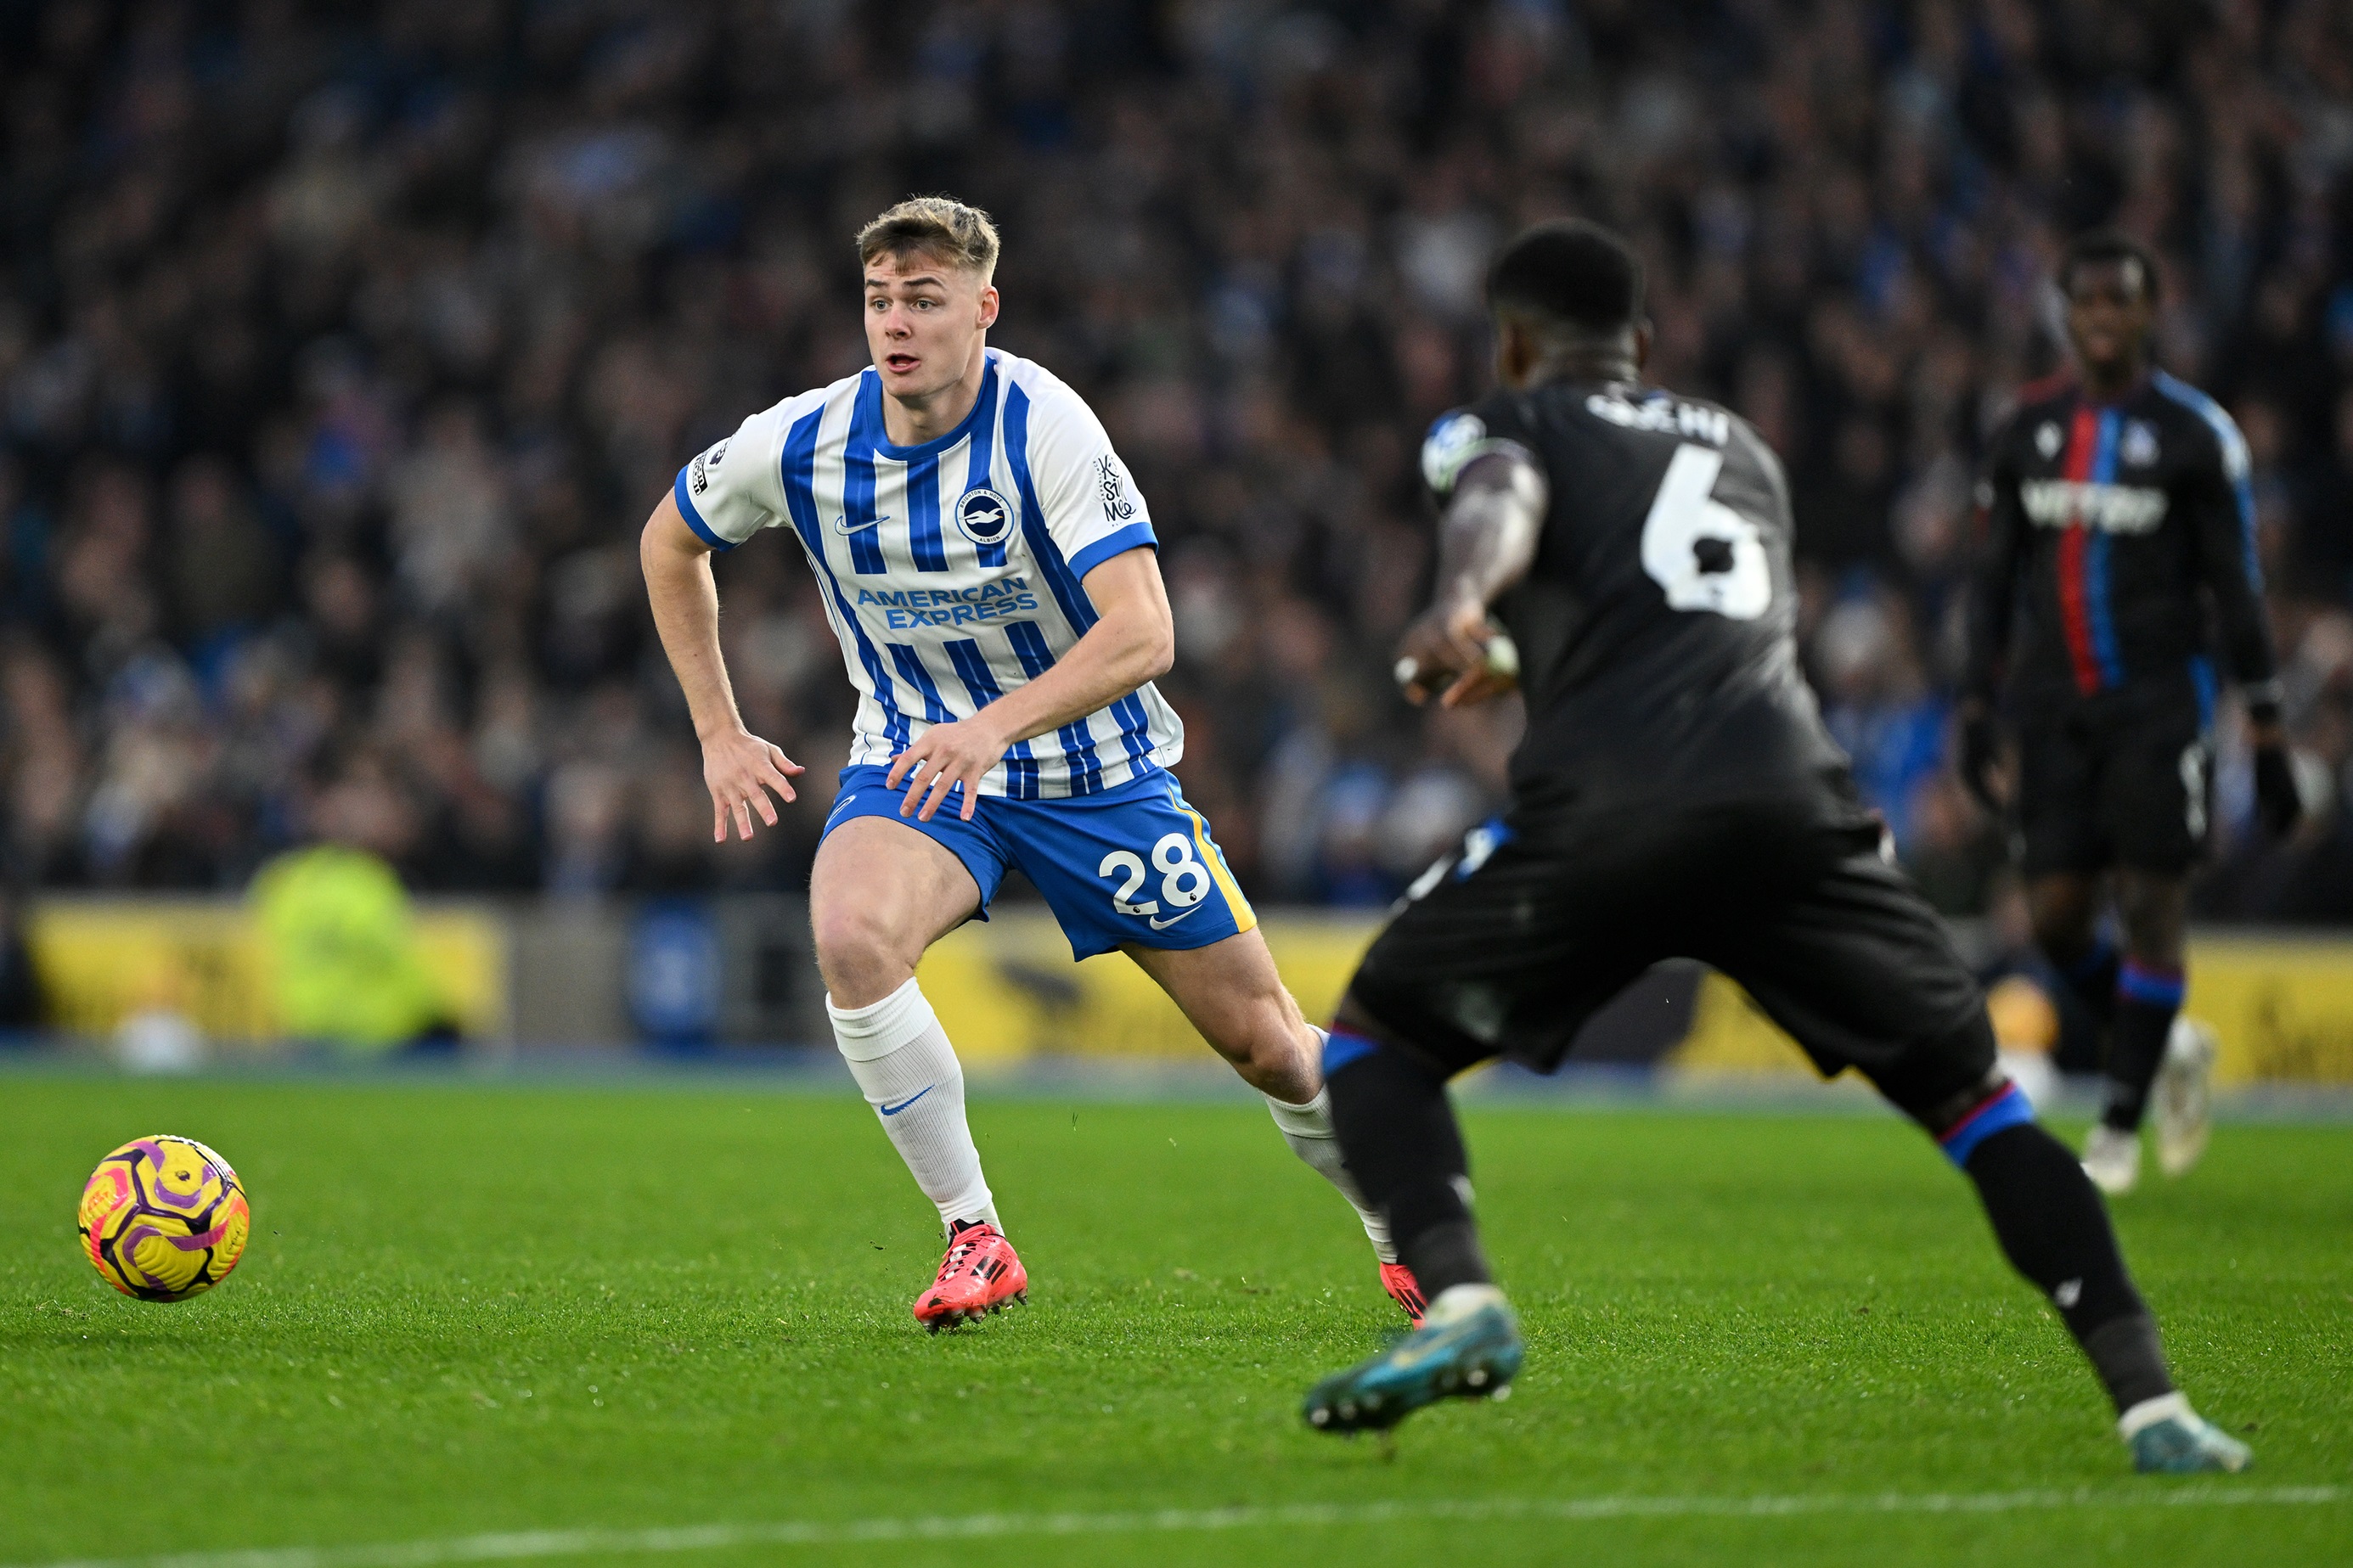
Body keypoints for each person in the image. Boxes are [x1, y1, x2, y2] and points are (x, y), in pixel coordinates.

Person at [1293, 219, 2250, 1474]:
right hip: (1792, 809)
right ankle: (2152, 1405)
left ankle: (1464, 1297)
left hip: (1610, 810)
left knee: (1372, 1044)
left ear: (1514, 342)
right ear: (1640, 343)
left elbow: (1498, 500)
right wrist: (1530, 653)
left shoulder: (1506, 422)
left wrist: (1463, 601)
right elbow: (1691, 615)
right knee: (1978, 1106)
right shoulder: (1742, 449)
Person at [639, 197, 1414, 1331]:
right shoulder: (799, 441)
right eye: (878, 299)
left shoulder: (1044, 425)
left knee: (1270, 1047)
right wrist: (715, 729)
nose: (895, 323)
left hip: (1099, 778)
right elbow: (669, 538)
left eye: (924, 299)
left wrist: (995, 722)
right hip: (921, 768)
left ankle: (1402, 1228)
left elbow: (1145, 630)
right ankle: (974, 1233)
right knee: (851, 933)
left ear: (982, 311)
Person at [1958, 231, 2301, 1195]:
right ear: (2064, 313)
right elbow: (1990, 579)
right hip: (2051, 705)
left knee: (2151, 902)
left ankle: (2115, 1125)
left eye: (2120, 301)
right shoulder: (2023, 429)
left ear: (2149, 312)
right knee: (2056, 919)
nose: (2102, 318)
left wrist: (2266, 728)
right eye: (2087, 301)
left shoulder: (2195, 434)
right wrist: (1975, 701)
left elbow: (2236, 587)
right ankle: (2166, 1043)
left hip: (2158, 703)